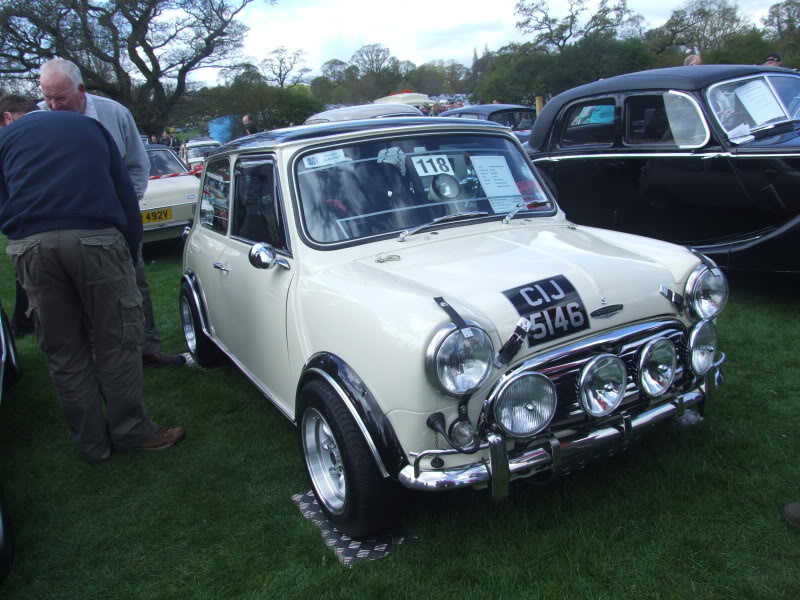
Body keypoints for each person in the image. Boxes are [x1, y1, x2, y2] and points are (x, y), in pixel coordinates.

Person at [0, 95, 185, 462]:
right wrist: (130, 249)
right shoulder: (90, 126)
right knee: (116, 339)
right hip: (96, 240)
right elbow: (124, 194)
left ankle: (91, 444)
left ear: (8, 117)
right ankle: (132, 431)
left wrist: (24, 234)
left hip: (31, 247)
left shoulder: (4, 139)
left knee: (64, 349)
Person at [38, 57, 184, 367]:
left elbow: (137, 165)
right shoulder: (37, 118)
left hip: (115, 220)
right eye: (47, 96)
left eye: (60, 97)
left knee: (134, 281)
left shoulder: (114, 114)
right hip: (63, 224)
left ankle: (147, 347)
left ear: (82, 89)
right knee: (79, 293)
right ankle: (95, 356)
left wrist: (122, 210)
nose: (52, 104)